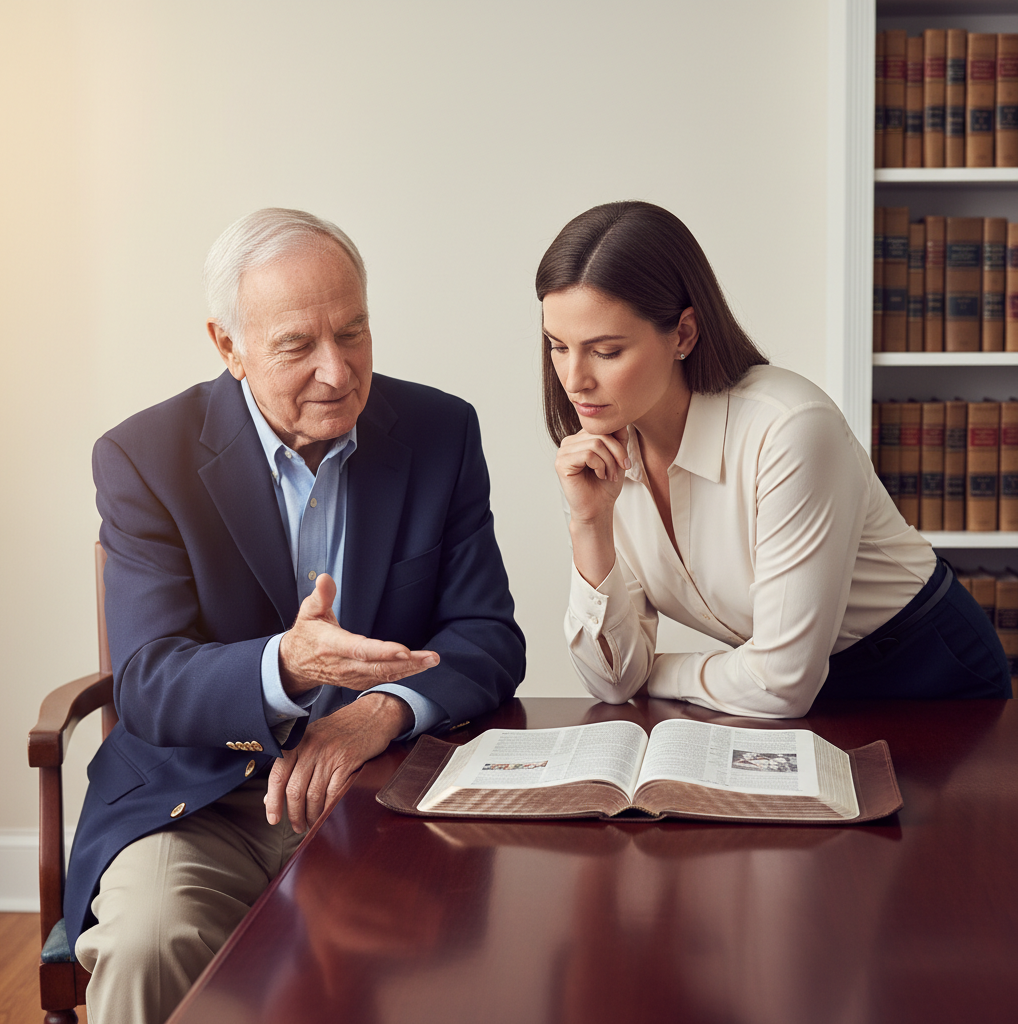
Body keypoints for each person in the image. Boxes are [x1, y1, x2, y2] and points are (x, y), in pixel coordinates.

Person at [64, 208, 526, 1024]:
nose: (338, 372)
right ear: (227, 346)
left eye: (354, 332)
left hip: (379, 792)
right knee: (146, 948)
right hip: (199, 802)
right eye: (296, 346)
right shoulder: (144, 457)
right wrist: (287, 665)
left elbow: (486, 634)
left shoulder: (440, 432)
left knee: (480, 955)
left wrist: (377, 714)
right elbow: (148, 682)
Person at [538, 200, 1009, 717]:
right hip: (775, 697)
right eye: (558, 346)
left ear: (684, 334)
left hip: (926, 682)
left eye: (605, 352)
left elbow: (781, 684)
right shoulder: (604, 456)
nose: (575, 378)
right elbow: (612, 681)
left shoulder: (790, 428)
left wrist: (657, 671)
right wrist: (589, 523)